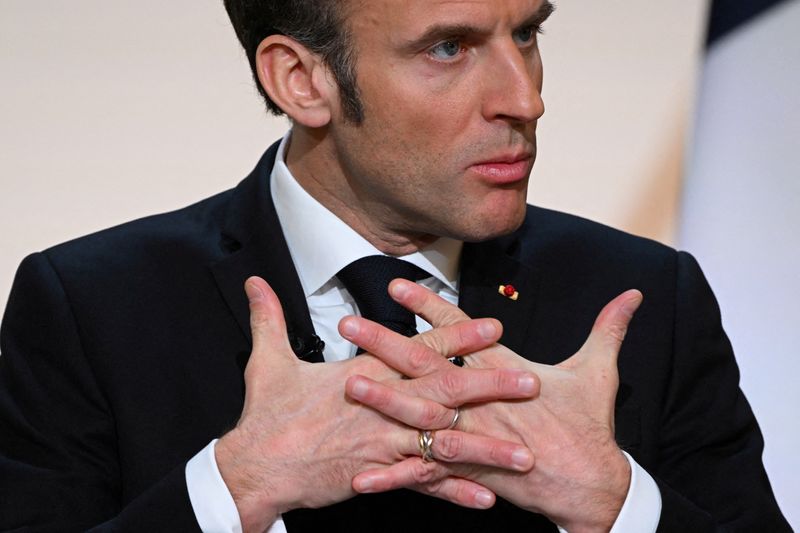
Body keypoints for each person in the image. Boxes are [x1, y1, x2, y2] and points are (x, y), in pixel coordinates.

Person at [0, 0, 789, 531]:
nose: (525, 98)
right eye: (450, 48)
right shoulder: (90, 308)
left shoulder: (641, 299)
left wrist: (615, 501)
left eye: (527, 33)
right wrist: (232, 487)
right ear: (303, 80)